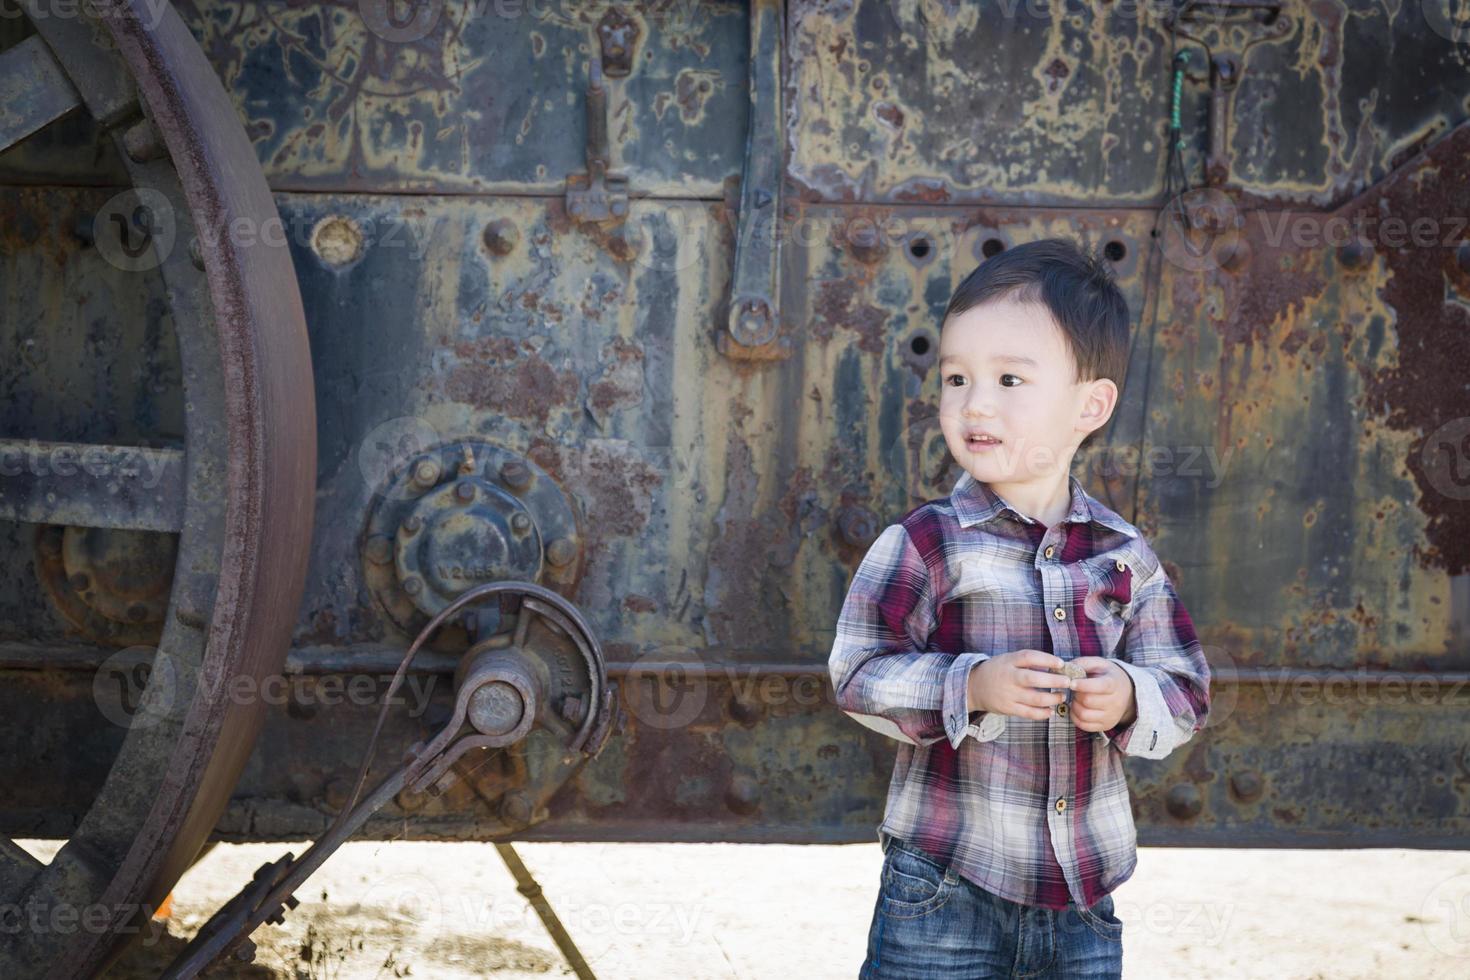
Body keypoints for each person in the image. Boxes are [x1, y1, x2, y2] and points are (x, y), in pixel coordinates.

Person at [827, 237, 1212, 979]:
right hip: (943, 885)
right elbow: (857, 672)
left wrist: (1131, 695)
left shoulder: (1122, 555)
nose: (975, 403)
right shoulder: (926, 543)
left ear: (1090, 406)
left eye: (1009, 379)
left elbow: (1187, 690)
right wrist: (969, 685)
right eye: (956, 378)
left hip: (1084, 898)